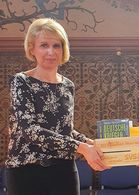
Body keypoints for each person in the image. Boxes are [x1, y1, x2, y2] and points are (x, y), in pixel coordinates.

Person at [5, 18, 109, 195]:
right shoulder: (21, 81)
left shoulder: (68, 85)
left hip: (64, 171)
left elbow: (64, 129)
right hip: (26, 172)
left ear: (64, 49)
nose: (51, 52)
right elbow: (30, 130)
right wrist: (82, 148)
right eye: (44, 45)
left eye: (56, 46)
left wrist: (91, 144)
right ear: (32, 48)